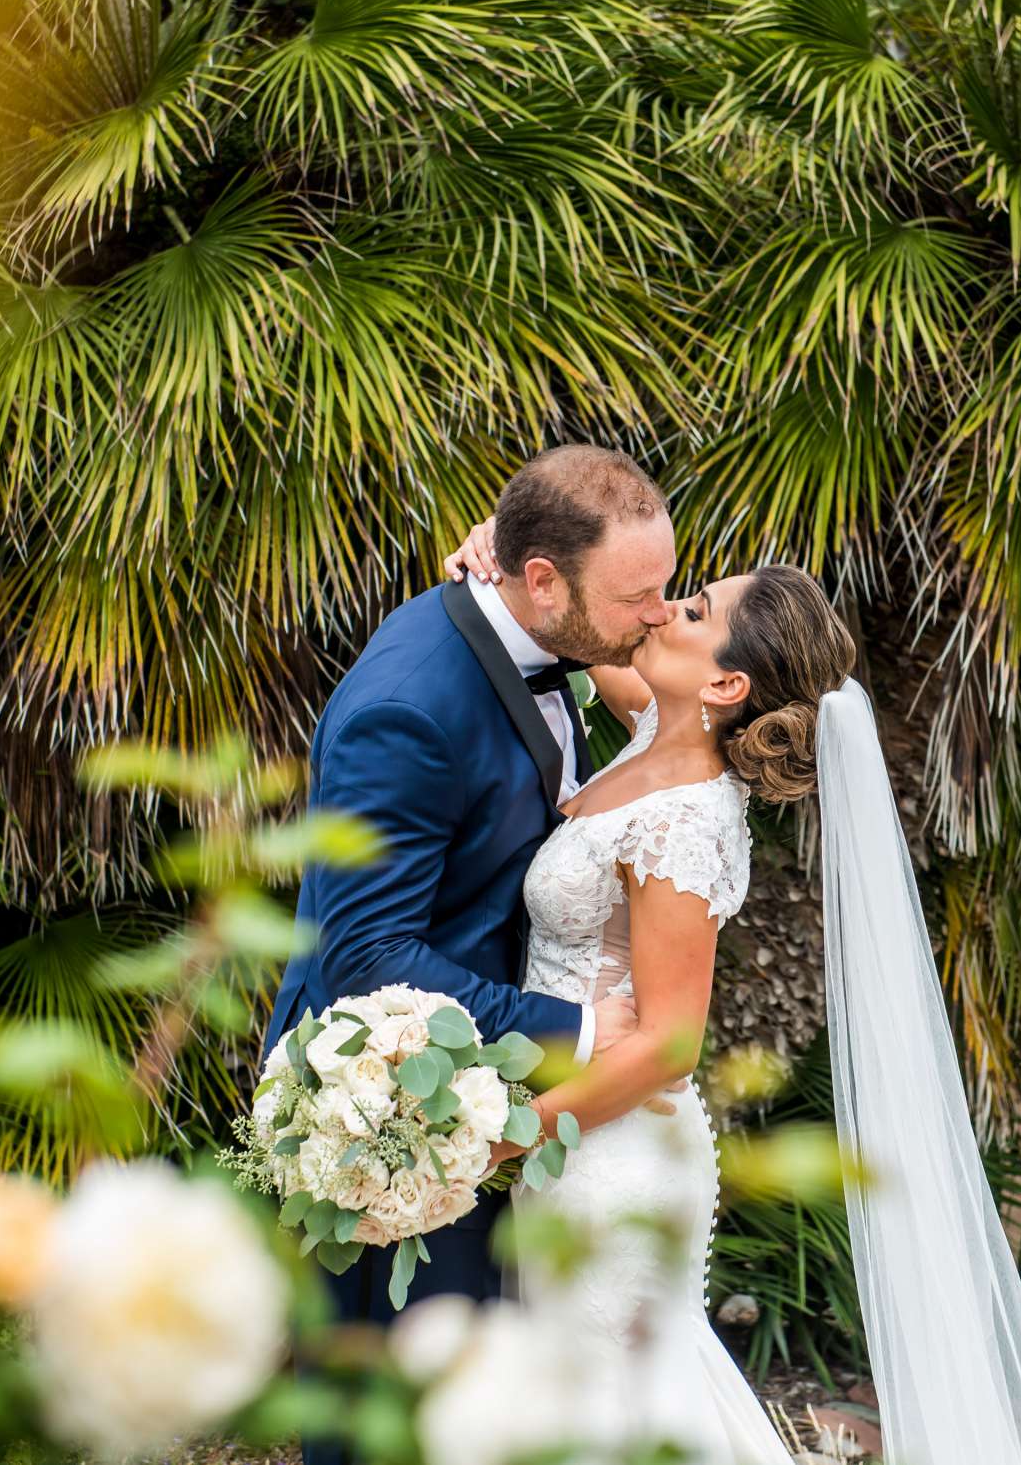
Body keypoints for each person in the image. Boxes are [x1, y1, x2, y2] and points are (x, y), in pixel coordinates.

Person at [440, 523, 1021, 1465]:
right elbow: (587, 641)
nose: (664, 609)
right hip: (576, 1141)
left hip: (609, 1156)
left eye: (693, 610)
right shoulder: (657, 731)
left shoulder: (687, 825)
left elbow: (669, 1046)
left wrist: (502, 1136)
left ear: (728, 686)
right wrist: (497, 566)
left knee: (614, 1416)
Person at [264, 445, 676, 1465]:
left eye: (669, 590)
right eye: (641, 596)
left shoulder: (544, 633)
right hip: (395, 1116)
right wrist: (579, 1029)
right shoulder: (411, 709)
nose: (661, 615)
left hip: (492, 1112)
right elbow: (367, 958)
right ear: (541, 580)